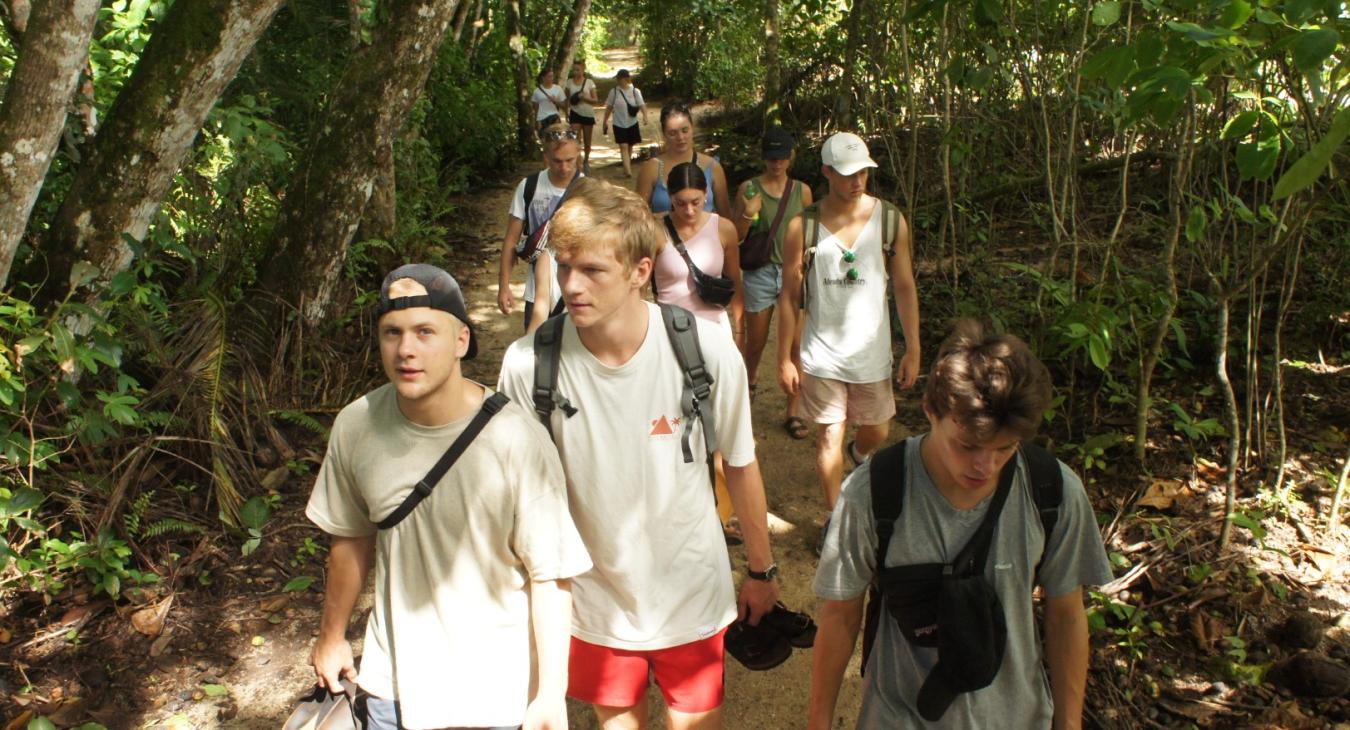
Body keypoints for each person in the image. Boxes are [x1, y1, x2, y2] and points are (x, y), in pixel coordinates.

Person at [497, 177, 779, 730]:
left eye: (593, 270)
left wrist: (761, 569)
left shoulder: (705, 350)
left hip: (690, 594)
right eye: (563, 266)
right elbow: (518, 503)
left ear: (640, 272)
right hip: (593, 603)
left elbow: (740, 463)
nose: (572, 286)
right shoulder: (528, 366)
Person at [307, 264, 591, 730]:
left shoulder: (517, 438)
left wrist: (550, 693)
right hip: (392, 684)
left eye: (425, 332)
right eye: (392, 333)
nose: (406, 349)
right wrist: (332, 636)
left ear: (461, 341)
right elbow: (350, 539)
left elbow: (551, 575)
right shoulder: (357, 425)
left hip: (492, 693)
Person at [808, 320, 1113, 729]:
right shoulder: (872, 494)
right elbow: (841, 617)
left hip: (1017, 717)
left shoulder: (1052, 491)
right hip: (899, 717)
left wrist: (1069, 723)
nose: (985, 466)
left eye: (1005, 448)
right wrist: (819, 721)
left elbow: (1066, 616)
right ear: (931, 412)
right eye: (968, 445)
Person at [777, 132, 921, 517]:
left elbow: (904, 286)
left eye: (863, 172)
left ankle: (858, 454)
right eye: (847, 173)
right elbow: (789, 297)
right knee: (829, 436)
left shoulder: (889, 221)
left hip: (871, 352)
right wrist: (785, 358)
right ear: (826, 172)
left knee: (878, 429)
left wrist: (913, 347)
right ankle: (835, 518)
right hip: (822, 354)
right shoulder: (802, 227)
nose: (857, 181)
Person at [653, 160, 744, 541]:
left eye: (695, 202)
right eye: (680, 203)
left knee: (718, 425)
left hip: (714, 333)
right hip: (668, 335)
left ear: (706, 195)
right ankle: (677, 510)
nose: (688, 211)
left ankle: (721, 513)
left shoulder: (723, 228)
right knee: (672, 423)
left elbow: (735, 282)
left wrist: (738, 330)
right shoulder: (655, 230)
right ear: (669, 199)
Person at [732, 127, 813, 440]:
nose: (776, 163)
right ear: (763, 157)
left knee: (796, 344)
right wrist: (747, 214)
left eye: (781, 157)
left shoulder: (802, 191)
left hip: (794, 272)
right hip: (761, 273)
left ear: (791, 156)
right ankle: (750, 384)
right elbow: (736, 236)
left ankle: (793, 410)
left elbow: (809, 234)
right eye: (771, 157)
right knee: (756, 341)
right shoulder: (749, 188)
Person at [497, 124, 581, 331]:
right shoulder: (529, 187)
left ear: (578, 154)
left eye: (570, 160)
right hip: (536, 289)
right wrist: (504, 286)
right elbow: (511, 240)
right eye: (557, 161)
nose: (564, 167)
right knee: (535, 343)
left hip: (577, 286)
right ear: (546, 158)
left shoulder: (586, 189)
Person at [636, 101, 731, 218]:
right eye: (672, 133)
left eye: (685, 130)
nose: (680, 137)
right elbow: (637, 216)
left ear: (692, 128)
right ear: (664, 134)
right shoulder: (651, 168)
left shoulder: (712, 166)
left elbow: (725, 217)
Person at [601, 68, 648, 177]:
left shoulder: (635, 91)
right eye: (617, 78)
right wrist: (605, 121)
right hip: (618, 123)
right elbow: (609, 107)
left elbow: (642, 104)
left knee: (629, 146)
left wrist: (645, 116)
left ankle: (626, 168)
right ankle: (628, 172)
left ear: (626, 79)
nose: (618, 81)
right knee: (623, 146)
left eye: (619, 78)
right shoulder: (614, 92)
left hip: (632, 123)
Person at [562, 58, 599, 172]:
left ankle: (586, 160)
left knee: (587, 141)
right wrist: (566, 112)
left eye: (578, 70)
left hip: (588, 114)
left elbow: (595, 100)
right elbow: (567, 99)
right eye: (574, 70)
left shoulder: (589, 82)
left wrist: (585, 98)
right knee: (575, 140)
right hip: (575, 113)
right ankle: (577, 163)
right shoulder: (569, 82)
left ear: (583, 69)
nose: (575, 72)